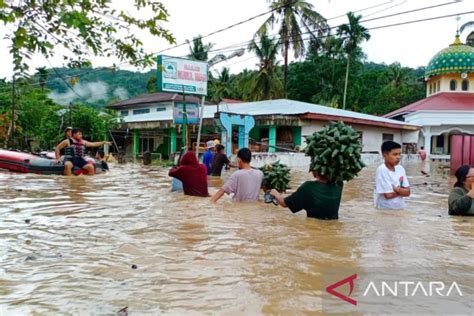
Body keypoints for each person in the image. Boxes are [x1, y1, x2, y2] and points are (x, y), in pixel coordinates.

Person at [270, 171, 343, 220]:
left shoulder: (308, 187)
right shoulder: (338, 184)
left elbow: (284, 203)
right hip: (333, 225)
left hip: (315, 229)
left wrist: (275, 192)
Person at [374, 141, 411, 209]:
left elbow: (408, 192)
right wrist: (402, 191)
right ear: (385, 155)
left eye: (399, 154)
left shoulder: (400, 169)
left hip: (400, 208)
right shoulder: (382, 169)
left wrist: (397, 190)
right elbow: (388, 195)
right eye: (395, 154)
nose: (398, 157)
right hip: (385, 210)